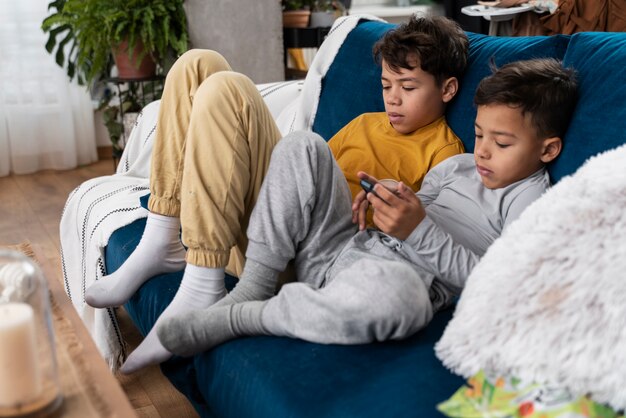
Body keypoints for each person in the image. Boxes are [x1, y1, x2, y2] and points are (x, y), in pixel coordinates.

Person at [85, 15, 469, 373]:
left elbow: (413, 244)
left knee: (228, 87)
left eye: (408, 87)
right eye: (386, 85)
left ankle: (204, 281)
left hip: (316, 259)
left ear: (448, 89)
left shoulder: (446, 154)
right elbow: (307, 173)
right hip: (272, 231)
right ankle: (162, 236)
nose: (393, 99)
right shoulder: (366, 123)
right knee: (197, 64)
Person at [155, 58, 578, 357]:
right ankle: (255, 284)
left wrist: (417, 231)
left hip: (390, 281)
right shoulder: (456, 166)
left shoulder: (534, 204)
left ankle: (248, 317)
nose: (482, 152)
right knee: (304, 145)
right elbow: (417, 207)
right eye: (480, 134)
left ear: (548, 149)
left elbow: (500, 285)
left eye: (501, 144)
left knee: (400, 298)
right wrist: (390, 196)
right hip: (340, 249)